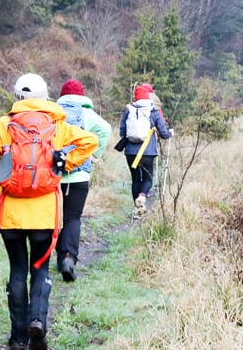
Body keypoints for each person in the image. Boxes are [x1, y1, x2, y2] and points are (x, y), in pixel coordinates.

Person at [0, 73, 98, 350]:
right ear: (45, 97)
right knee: (40, 268)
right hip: (45, 214)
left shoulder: (2, 126)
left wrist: (7, 168)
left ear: (17, 97)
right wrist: (64, 162)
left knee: (17, 270)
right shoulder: (58, 126)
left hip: (11, 215)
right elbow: (90, 142)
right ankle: (38, 324)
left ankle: (18, 339)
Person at [54, 78, 111, 282]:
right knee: (73, 217)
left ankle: (53, 257)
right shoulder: (87, 114)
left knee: (55, 218)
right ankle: (68, 258)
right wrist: (95, 154)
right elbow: (105, 130)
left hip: (54, 174)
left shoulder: (53, 112)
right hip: (79, 175)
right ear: (82, 95)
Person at [119, 83, 171, 217]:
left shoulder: (129, 110)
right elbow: (164, 134)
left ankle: (137, 211)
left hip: (130, 151)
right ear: (148, 97)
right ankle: (142, 197)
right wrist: (170, 133)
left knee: (135, 179)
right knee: (148, 178)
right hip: (148, 151)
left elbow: (122, 132)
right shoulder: (153, 111)